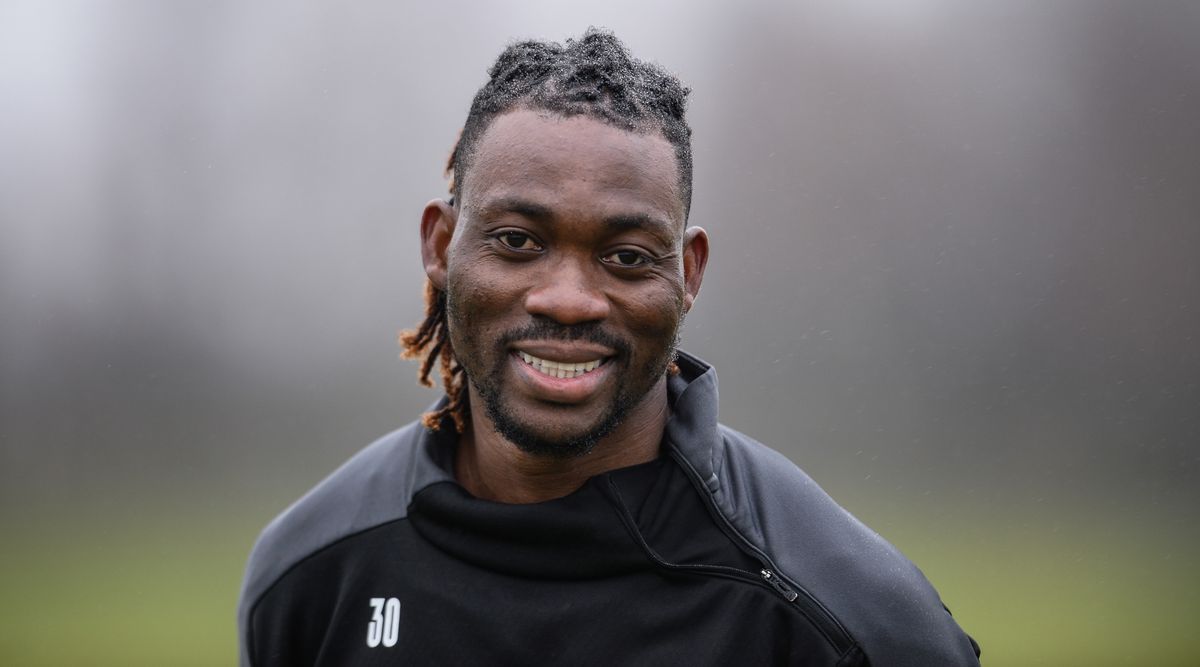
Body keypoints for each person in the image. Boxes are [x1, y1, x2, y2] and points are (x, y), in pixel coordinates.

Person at [237, 28, 981, 666]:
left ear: (687, 274)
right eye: (518, 241)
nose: (568, 298)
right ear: (440, 244)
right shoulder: (310, 575)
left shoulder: (848, 618)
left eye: (626, 256)